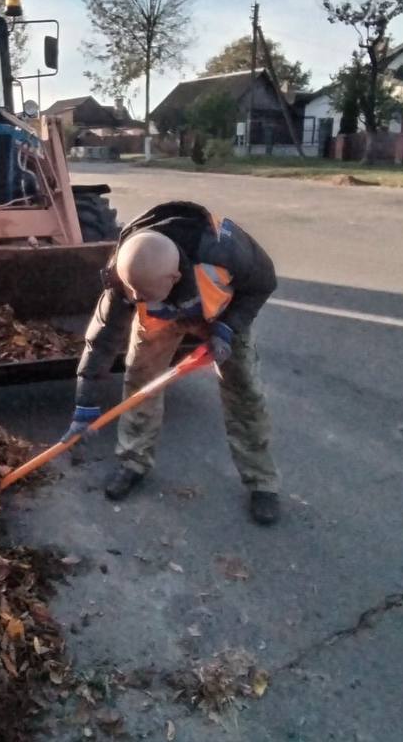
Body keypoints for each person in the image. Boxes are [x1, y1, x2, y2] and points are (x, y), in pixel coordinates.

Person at [65, 201, 284, 525]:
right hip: (160, 322)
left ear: (175, 275)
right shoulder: (127, 273)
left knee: (244, 391)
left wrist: (227, 329)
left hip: (221, 314)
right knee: (140, 381)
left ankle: (262, 482)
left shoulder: (224, 248)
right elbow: (101, 341)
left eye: (147, 295)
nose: (139, 301)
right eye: (135, 295)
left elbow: (263, 284)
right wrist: (85, 405)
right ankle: (133, 461)